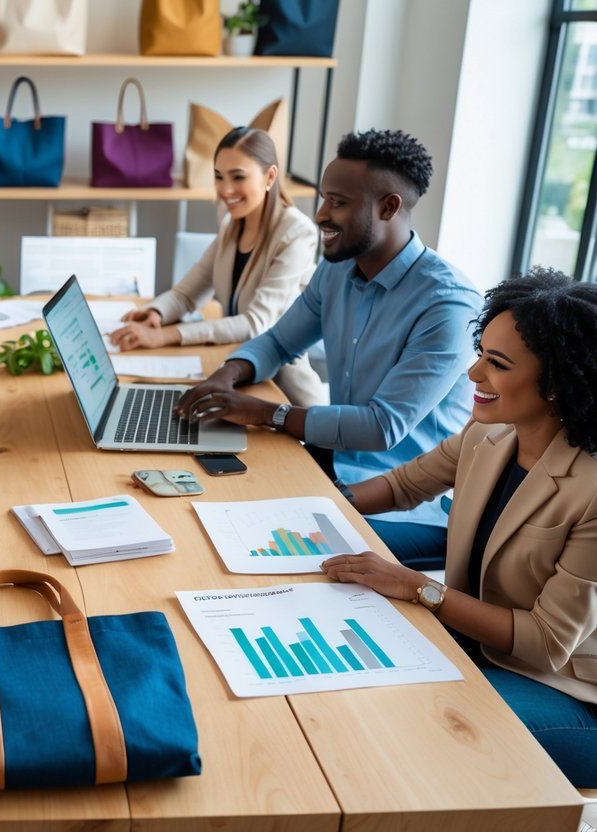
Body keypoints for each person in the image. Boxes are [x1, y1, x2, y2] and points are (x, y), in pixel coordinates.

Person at [321, 268, 597, 787]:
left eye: (496, 364)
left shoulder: (593, 489)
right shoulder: (489, 432)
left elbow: (546, 642)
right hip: (479, 638)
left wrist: (417, 588)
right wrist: (315, 504)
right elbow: (407, 484)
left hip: (565, 690)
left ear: (558, 382)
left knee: (418, 723)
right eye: (480, 353)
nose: (473, 374)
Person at [175, 129, 481, 571]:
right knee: (210, 490)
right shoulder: (338, 272)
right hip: (338, 462)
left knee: (249, 538)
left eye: (338, 202)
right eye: (323, 198)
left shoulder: (447, 304)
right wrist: (227, 373)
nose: (320, 214)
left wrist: (266, 413)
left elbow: (382, 427)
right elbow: (279, 340)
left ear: (389, 207)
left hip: (409, 504)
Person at [110, 127, 323, 407]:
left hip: (282, 394)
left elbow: (255, 325)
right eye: (219, 176)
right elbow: (187, 294)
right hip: (234, 377)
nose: (225, 190)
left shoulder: (297, 233)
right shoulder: (231, 221)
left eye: (238, 177)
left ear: (270, 177)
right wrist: (155, 314)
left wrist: (164, 336)